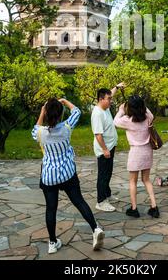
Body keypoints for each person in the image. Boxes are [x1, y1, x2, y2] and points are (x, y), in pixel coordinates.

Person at [32, 98, 104, 254]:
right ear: (60, 114)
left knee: (51, 209)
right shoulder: (66, 128)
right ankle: (95, 229)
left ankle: (52, 242)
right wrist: (65, 101)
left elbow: (35, 129)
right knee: (79, 201)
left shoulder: (41, 133)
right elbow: (77, 111)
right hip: (67, 173)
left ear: (46, 113)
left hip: (49, 176)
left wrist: (42, 112)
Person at [114, 95, 160, 219]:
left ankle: (134, 208)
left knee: (132, 181)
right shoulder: (148, 117)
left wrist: (121, 109)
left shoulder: (127, 121)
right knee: (146, 180)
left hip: (135, 152)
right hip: (147, 151)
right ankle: (154, 207)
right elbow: (148, 111)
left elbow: (115, 121)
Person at [91, 83, 125, 212]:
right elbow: (98, 134)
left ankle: (107, 194)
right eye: (109, 99)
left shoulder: (105, 108)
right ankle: (101, 201)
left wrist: (117, 87)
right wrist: (105, 149)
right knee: (103, 175)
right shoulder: (97, 113)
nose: (111, 101)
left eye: (111, 98)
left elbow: (110, 93)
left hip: (111, 146)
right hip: (104, 149)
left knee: (108, 172)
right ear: (101, 99)